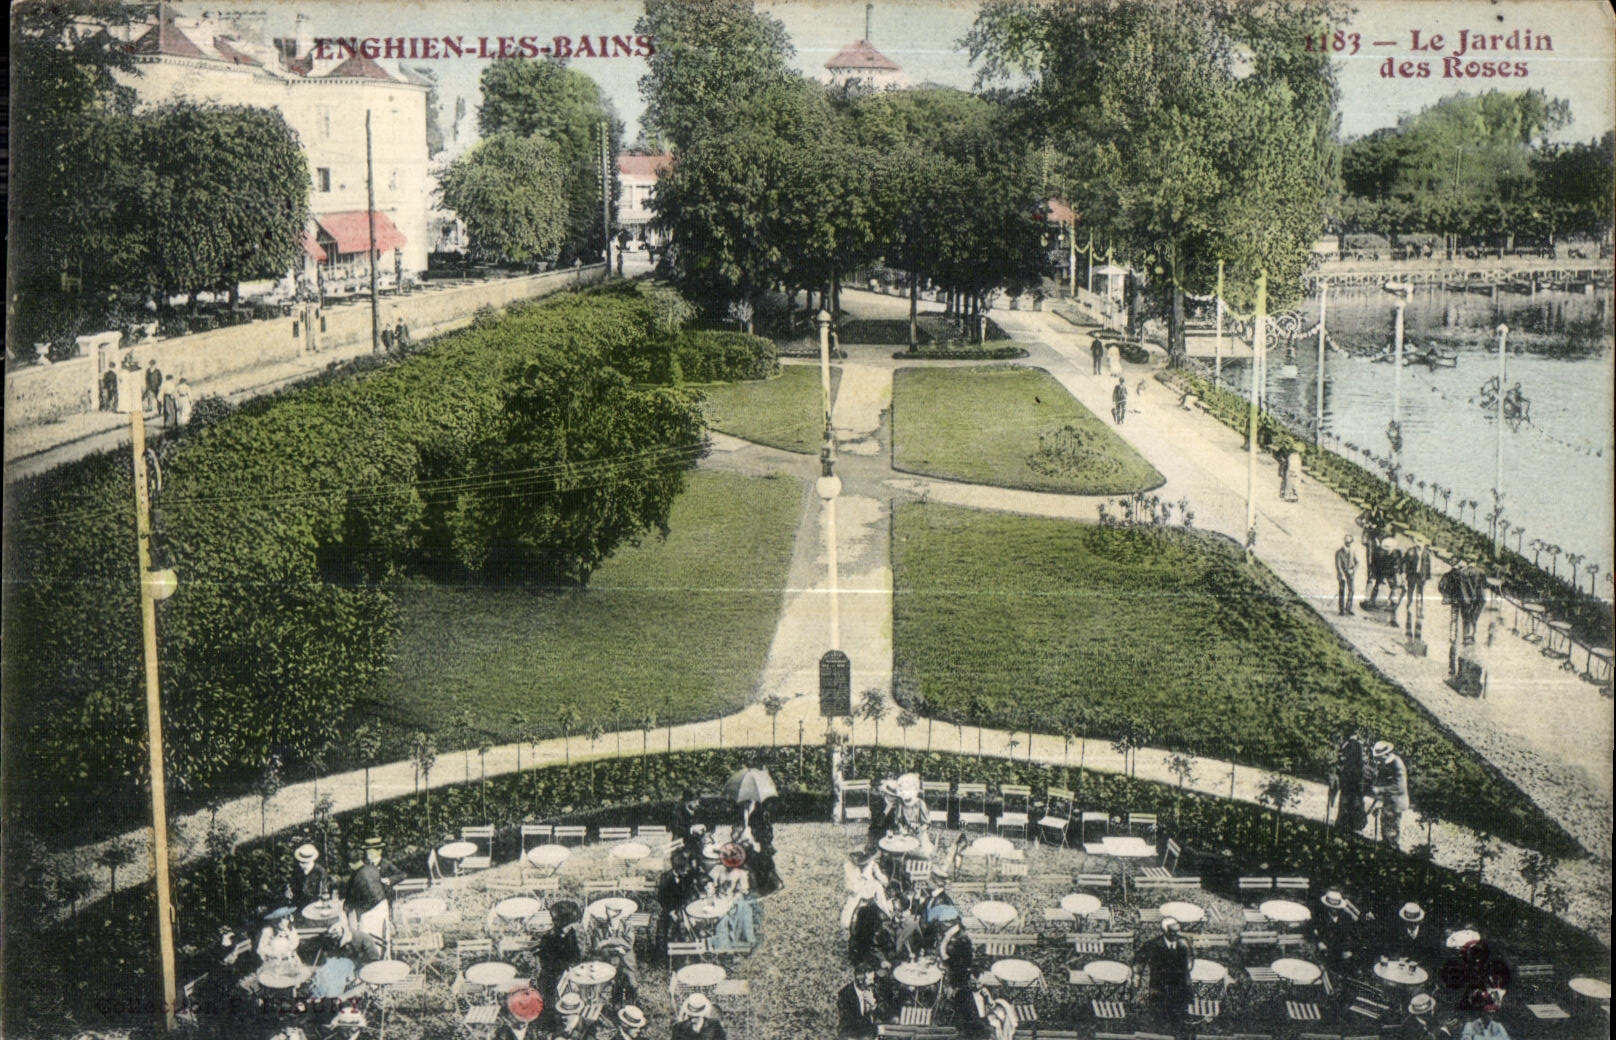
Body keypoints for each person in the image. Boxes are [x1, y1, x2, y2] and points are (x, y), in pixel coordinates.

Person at [344, 837, 403, 960]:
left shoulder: (384, 864)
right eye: (367, 851)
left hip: (378, 904)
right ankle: (381, 955)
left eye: (372, 851)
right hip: (379, 902)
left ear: (379, 851)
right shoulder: (368, 866)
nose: (369, 854)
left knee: (375, 933)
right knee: (379, 933)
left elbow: (401, 874)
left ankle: (376, 958)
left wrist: (389, 880)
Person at [1135, 917, 1194, 1024]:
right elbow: (1139, 960)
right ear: (1165, 931)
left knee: (1180, 1020)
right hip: (1160, 987)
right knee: (1161, 1019)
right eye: (1173, 931)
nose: (1177, 934)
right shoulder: (1152, 945)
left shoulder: (1184, 943)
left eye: (1178, 930)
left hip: (1180, 987)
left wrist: (1187, 951)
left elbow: (1189, 965)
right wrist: (1137, 975)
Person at [1310, 889, 1362, 975]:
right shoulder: (1320, 915)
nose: (1334, 910)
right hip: (1324, 948)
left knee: (1346, 968)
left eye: (1336, 908)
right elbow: (1311, 929)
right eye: (1331, 907)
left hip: (1340, 949)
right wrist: (1319, 942)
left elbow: (1353, 936)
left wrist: (1349, 950)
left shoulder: (1347, 918)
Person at [1370, 741, 1410, 848]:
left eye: (1379, 758)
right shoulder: (1386, 764)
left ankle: (1392, 848)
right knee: (1385, 823)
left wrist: (1380, 789)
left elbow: (1399, 787)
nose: (1378, 761)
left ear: (1386, 754)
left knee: (1392, 828)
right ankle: (1386, 845)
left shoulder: (1397, 764)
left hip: (1397, 802)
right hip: (1389, 800)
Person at [1329, 733, 1369, 834]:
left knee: (1347, 804)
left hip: (1349, 780)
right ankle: (1351, 827)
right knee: (1353, 804)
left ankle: (1344, 826)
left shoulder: (1349, 745)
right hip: (1355, 781)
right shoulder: (1358, 746)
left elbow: (1342, 763)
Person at [837, 962, 887, 1038]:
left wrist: (873, 1004)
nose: (872, 982)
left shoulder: (871, 989)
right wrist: (875, 1030)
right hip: (852, 1032)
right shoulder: (845, 995)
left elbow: (883, 1011)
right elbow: (852, 1022)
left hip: (869, 1029)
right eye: (870, 980)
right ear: (860, 981)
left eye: (873, 979)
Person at [286, 843, 329, 909]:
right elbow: (292, 886)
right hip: (298, 904)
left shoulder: (320, 872)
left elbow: (323, 892)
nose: (300, 864)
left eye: (303, 862)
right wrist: (289, 891)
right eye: (299, 861)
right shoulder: (297, 870)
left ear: (311, 860)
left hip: (314, 905)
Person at [1336, 535, 1359, 616]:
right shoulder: (1339, 552)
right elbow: (1338, 565)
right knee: (1342, 591)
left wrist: (1353, 570)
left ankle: (1348, 608)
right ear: (1344, 542)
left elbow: (1357, 563)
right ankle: (1341, 610)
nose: (1348, 543)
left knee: (1351, 591)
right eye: (1347, 542)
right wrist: (1342, 575)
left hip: (1350, 574)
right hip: (1342, 575)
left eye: (1350, 542)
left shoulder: (1353, 551)